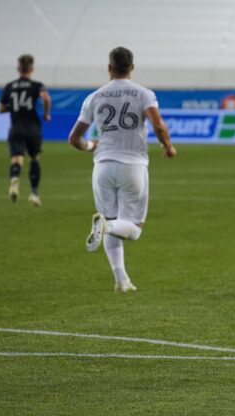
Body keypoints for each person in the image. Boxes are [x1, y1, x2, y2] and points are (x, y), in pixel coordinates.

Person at [68, 47, 177, 292]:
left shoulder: (94, 97)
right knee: (133, 229)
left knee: (110, 220)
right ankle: (107, 229)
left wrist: (89, 146)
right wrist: (167, 146)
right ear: (132, 67)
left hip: (102, 166)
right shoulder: (143, 94)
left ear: (109, 68)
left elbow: (73, 138)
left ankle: (121, 280)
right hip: (133, 165)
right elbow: (158, 124)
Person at [0, 54, 51, 206]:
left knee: (17, 159)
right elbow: (46, 98)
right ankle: (34, 193)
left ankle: (15, 178)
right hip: (33, 128)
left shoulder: (9, 86)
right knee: (34, 159)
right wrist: (46, 114)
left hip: (16, 128)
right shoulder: (36, 85)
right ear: (32, 69)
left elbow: (1, 108)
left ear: (18, 68)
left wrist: (14, 107)